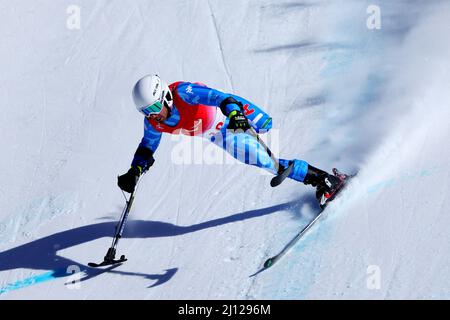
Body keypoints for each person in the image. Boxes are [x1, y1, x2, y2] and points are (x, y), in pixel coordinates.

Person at [118, 74, 344, 206]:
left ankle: (324, 179)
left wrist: (236, 114)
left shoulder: (184, 92)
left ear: (165, 97)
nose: (154, 115)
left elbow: (220, 98)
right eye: (146, 112)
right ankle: (322, 180)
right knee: (266, 163)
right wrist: (135, 170)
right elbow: (147, 146)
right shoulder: (154, 122)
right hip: (218, 134)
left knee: (265, 126)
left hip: (231, 113)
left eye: (155, 107)